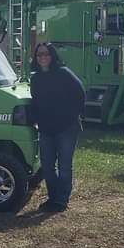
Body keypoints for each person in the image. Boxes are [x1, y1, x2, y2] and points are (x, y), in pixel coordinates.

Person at [29, 42, 85, 212]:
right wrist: (34, 119)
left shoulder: (63, 73)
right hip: (46, 129)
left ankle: (61, 201)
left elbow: (80, 93)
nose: (43, 57)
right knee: (47, 167)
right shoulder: (35, 78)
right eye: (39, 54)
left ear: (52, 56)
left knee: (64, 166)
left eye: (46, 54)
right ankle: (53, 198)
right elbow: (35, 102)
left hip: (67, 128)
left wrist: (73, 115)